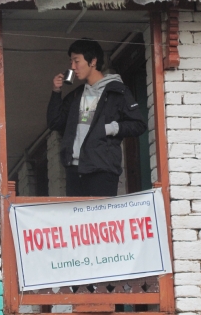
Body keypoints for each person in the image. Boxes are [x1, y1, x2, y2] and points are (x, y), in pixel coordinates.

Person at [47, 38, 147, 197]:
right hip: (74, 170)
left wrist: (109, 128)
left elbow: (138, 125)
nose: (73, 67)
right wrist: (56, 92)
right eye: (71, 62)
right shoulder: (77, 95)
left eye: (76, 61)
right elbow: (55, 122)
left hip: (102, 169)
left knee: (100, 213)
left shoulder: (117, 91)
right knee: (77, 214)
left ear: (93, 61)